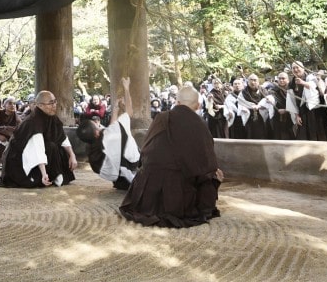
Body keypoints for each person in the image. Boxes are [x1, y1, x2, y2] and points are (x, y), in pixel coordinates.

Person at [119, 85, 223, 228]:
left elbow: (145, 151)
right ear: (198, 106)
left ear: (177, 103)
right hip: (180, 196)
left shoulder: (161, 117)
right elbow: (207, 163)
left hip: (150, 194)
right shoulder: (201, 125)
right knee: (213, 175)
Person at [0, 91, 77, 187]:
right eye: (51, 103)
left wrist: (72, 155)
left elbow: (62, 138)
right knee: (51, 146)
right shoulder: (34, 121)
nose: (54, 105)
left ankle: (55, 174)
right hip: (19, 159)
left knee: (58, 146)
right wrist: (43, 174)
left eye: (55, 102)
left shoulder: (53, 117)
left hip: (41, 151)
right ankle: (47, 176)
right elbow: (36, 149)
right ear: (40, 105)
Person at [76, 77, 141, 190]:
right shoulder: (108, 135)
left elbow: (111, 129)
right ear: (96, 133)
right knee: (126, 140)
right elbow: (129, 112)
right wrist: (126, 88)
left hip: (120, 180)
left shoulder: (92, 153)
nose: (98, 124)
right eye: (96, 124)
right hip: (134, 168)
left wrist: (115, 109)